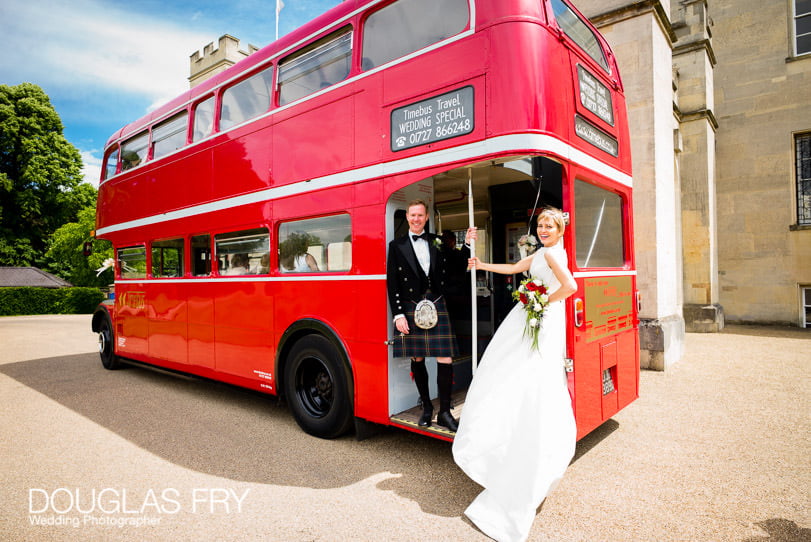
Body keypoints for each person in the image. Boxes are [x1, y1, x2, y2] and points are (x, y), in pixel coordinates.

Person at [452, 207, 578, 542]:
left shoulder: (553, 256)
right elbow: (514, 267)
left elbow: (570, 286)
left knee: (527, 378)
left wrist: (541, 303)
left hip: (540, 318)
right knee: (512, 374)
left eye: (550, 225)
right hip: (532, 317)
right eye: (540, 225)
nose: (544, 229)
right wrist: (481, 265)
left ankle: (523, 455)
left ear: (560, 228)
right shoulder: (542, 252)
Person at [387, 200, 468, 431]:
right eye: (412, 215)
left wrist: (469, 245)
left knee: (446, 359)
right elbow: (392, 283)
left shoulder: (437, 241)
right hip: (411, 305)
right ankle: (426, 409)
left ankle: (444, 412)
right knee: (417, 358)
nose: (415, 219)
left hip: (437, 303)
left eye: (420, 215)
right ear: (408, 216)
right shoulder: (397, 246)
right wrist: (398, 314)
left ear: (426, 216)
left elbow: (456, 265)